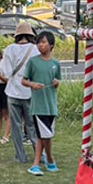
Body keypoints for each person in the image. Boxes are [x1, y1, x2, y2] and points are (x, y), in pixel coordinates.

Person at [0, 22, 38, 165]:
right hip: (29, 93)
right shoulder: (35, 50)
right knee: (32, 126)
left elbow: (6, 72)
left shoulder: (9, 49)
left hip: (13, 92)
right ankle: (40, 155)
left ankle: (21, 156)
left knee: (16, 127)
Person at [23, 30, 61, 176]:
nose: (40, 45)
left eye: (44, 42)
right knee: (46, 135)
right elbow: (24, 80)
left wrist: (56, 83)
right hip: (38, 106)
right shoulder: (33, 62)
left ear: (51, 45)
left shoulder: (55, 64)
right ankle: (50, 160)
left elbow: (58, 81)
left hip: (51, 105)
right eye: (38, 42)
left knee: (43, 136)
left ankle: (37, 164)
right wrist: (32, 85)